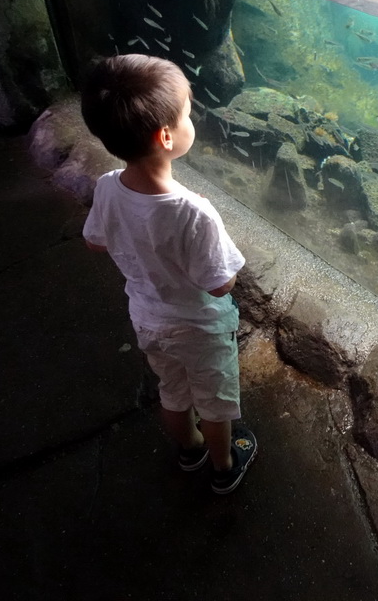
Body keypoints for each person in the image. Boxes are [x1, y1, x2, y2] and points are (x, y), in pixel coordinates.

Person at [79, 53, 256, 494]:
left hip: (148, 319)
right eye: (187, 115)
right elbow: (221, 283)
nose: (191, 119)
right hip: (200, 327)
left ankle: (190, 448)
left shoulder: (106, 187)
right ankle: (223, 465)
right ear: (166, 135)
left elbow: (94, 241)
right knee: (215, 402)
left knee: (173, 392)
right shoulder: (195, 212)